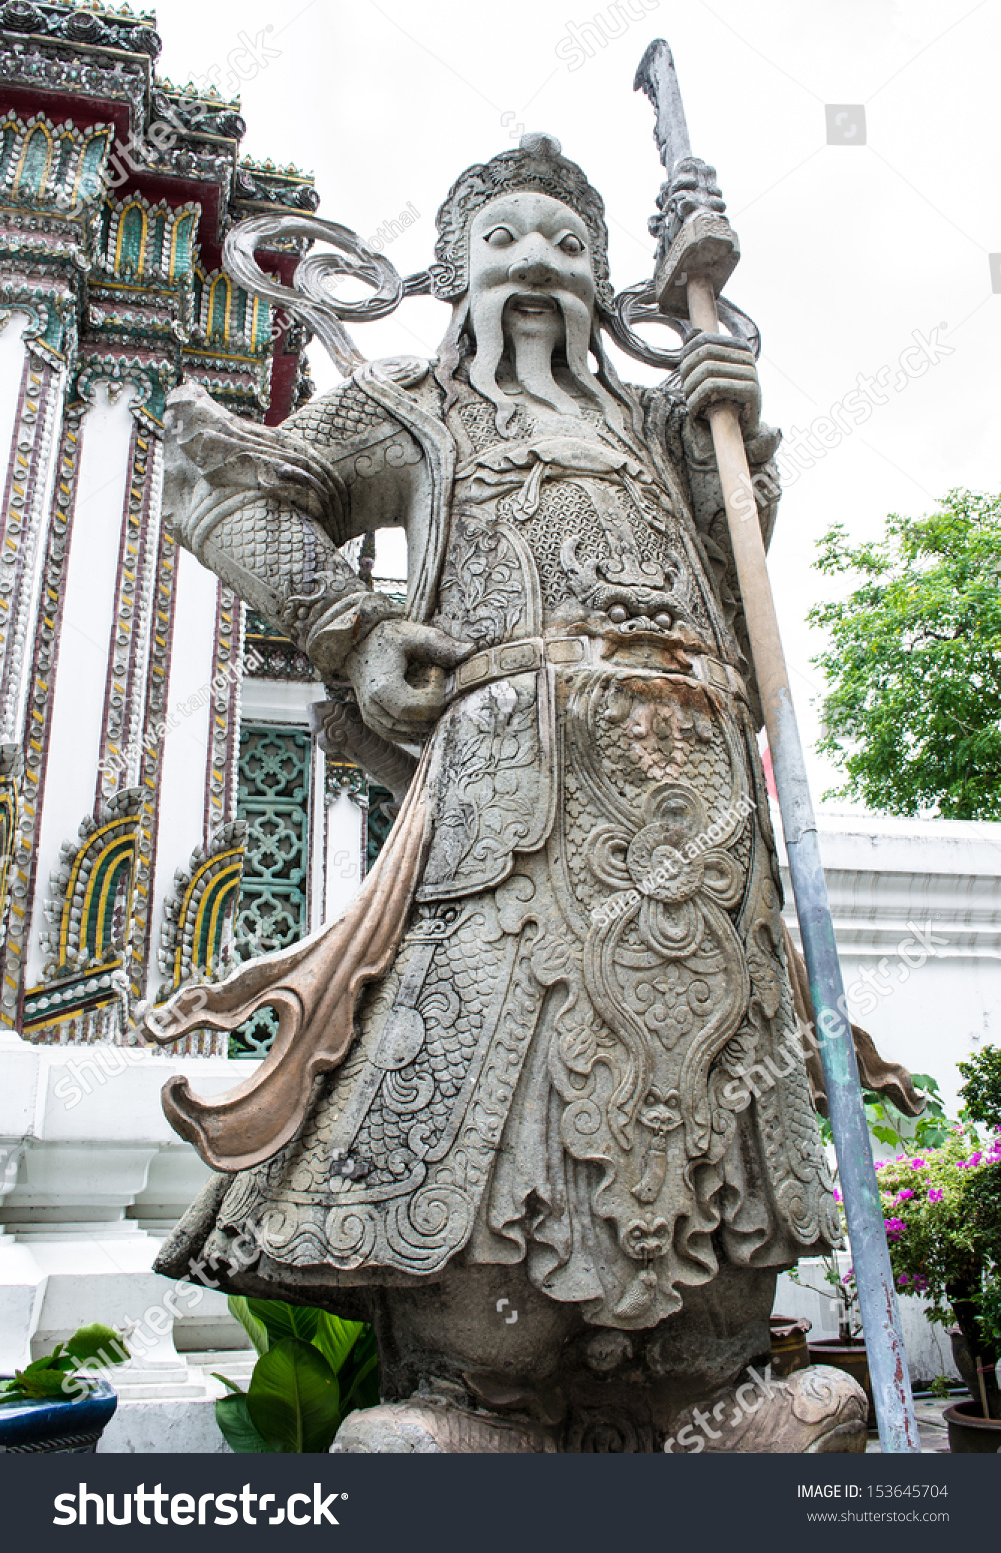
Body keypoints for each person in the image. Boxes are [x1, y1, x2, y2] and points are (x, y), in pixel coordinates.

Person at [152, 136, 863, 1452]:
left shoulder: (664, 425)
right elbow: (224, 490)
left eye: (568, 245)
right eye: (506, 241)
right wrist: (350, 626)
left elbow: (740, 590)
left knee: (711, 1127)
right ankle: (476, 1401)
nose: (537, 262)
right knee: (503, 1098)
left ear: (607, 287)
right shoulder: (414, 403)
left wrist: (730, 439)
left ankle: (698, 1404)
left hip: (700, 831)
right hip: (510, 820)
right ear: (452, 271)